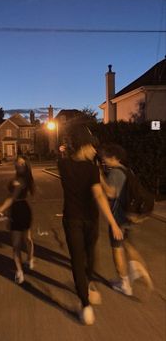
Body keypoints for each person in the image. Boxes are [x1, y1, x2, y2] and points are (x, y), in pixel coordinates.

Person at [58, 123, 123, 325]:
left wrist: (65, 150)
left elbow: (63, 154)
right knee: (89, 255)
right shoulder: (91, 170)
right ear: (84, 146)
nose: (96, 150)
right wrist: (113, 223)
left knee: (77, 259)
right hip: (90, 220)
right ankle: (89, 285)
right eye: (92, 146)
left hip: (72, 220)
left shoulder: (63, 165)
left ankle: (85, 305)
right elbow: (100, 196)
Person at [100, 143, 153, 296]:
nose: (103, 159)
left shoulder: (115, 173)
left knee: (117, 249)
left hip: (118, 217)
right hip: (129, 216)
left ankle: (124, 284)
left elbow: (110, 193)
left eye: (105, 157)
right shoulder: (127, 170)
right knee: (128, 245)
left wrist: (100, 178)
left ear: (114, 158)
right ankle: (139, 269)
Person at [0, 156, 35, 284]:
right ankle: (19, 271)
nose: (19, 165)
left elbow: (12, 198)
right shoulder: (16, 179)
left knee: (27, 239)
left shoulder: (23, 180)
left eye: (22, 163)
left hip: (23, 210)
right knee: (16, 244)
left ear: (26, 166)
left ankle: (30, 258)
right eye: (18, 163)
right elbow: (9, 198)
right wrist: (6, 212)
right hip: (14, 212)